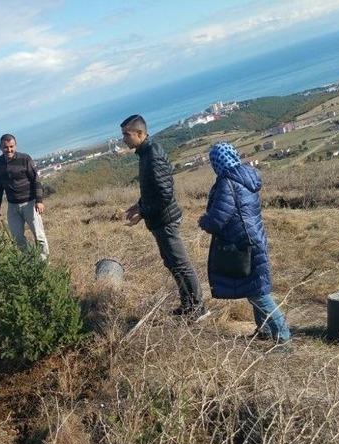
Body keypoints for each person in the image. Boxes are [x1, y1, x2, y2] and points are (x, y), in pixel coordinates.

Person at [198, 143, 291, 343]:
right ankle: (265, 331)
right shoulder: (246, 177)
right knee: (254, 289)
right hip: (254, 239)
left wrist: (204, 221)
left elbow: (217, 220)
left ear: (218, 162)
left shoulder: (227, 183)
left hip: (242, 244)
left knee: (259, 294)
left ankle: (283, 337)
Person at [121, 114, 206, 318]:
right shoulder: (145, 153)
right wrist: (138, 205)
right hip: (159, 219)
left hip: (165, 220)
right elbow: (152, 190)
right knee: (171, 262)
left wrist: (142, 213)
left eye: (126, 134)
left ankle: (198, 308)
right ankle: (188, 304)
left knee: (181, 264)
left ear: (140, 133)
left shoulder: (153, 155)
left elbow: (164, 195)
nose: (123, 139)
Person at [0, 133, 49, 259]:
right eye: (6, 147)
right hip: (12, 206)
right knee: (17, 237)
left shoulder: (25, 159)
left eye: (11, 146)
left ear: (15, 146)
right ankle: (30, 261)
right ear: (0, 147)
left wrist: (39, 200)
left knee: (39, 235)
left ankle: (44, 263)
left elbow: (36, 180)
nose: (9, 150)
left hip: (29, 203)